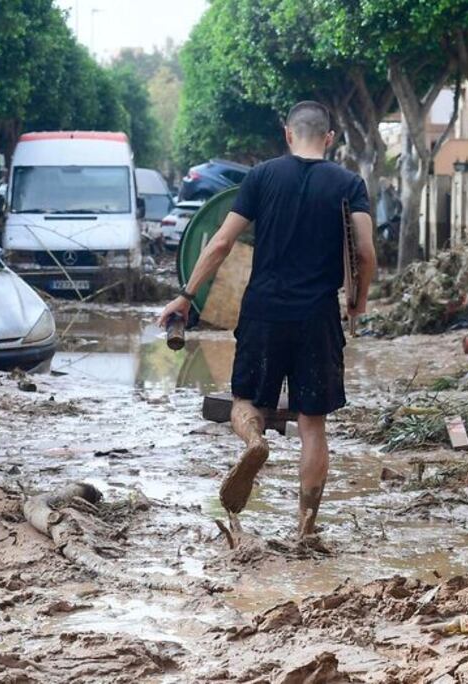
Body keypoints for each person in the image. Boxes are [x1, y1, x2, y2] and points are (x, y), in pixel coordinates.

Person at [158, 101, 376, 541]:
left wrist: (186, 296)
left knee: (245, 402)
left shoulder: (261, 176)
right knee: (313, 423)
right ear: (330, 138)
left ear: (288, 133)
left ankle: (255, 442)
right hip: (317, 316)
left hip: (263, 311)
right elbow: (366, 252)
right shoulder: (348, 183)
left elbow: (221, 242)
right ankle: (305, 527)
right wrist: (359, 301)